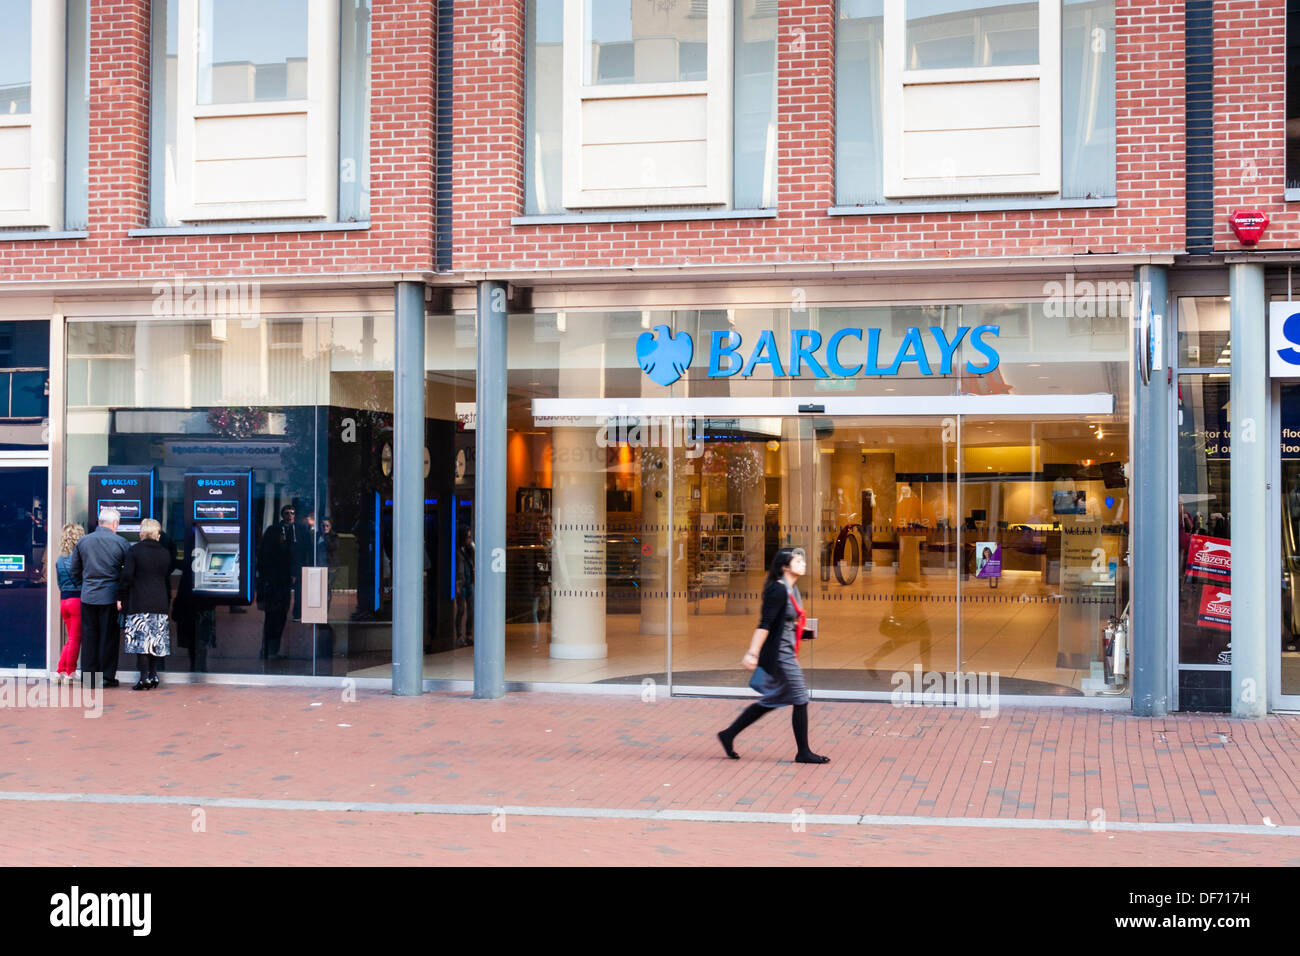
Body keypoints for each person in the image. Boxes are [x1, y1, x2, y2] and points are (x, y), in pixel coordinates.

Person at [718, 546, 829, 764]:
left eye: (802, 560)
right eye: (798, 561)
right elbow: (765, 624)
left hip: (788, 650)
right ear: (784, 567)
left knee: (772, 699)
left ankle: (728, 734)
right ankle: (803, 752)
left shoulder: (792, 589)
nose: (803, 564)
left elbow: (784, 622)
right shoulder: (778, 590)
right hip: (780, 654)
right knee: (800, 697)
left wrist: (801, 632)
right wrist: (752, 652)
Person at [70, 507, 130, 688]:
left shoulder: (83, 542)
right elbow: (127, 572)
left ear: (99, 522)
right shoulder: (122, 543)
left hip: (88, 596)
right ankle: (106, 677)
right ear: (115, 524)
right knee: (108, 637)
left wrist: (85, 584)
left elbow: (74, 570)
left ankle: (89, 678)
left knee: (89, 637)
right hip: (110, 596)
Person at [118, 518, 173, 690]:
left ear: (142, 532)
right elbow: (166, 574)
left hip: (139, 600)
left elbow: (126, 577)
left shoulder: (134, 551)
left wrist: (121, 598)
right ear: (157, 533)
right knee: (155, 640)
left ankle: (143, 679)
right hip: (159, 600)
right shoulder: (165, 553)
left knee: (141, 642)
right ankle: (153, 674)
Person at [257, 505, 299, 660]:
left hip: (285, 581)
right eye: (287, 513)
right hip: (273, 580)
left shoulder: (296, 532)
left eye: (292, 513)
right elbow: (264, 554)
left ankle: (274, 649)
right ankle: (267, 649)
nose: (290, 516)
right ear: (282, 515)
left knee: (281, 615)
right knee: (271, 616)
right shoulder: (273, 530)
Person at [52, 523, 86, 682]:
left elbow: (59, 582)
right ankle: (70, 672)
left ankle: (60, 670)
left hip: (64, 600)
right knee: (75, 638)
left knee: (70, 638)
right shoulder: (78, 557)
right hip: (76, 600)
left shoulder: (60, 559)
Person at [454, 525, 475, 647]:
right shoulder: (457, 552)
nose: (469, 539)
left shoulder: (469, 551)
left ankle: (468, 634)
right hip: (461, 583)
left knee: (471, 609)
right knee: (461, 610)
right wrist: (457, 584)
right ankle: (459, 635)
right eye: (467, 537)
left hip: (469, 582)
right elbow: (457, 569)